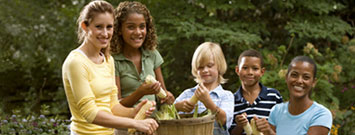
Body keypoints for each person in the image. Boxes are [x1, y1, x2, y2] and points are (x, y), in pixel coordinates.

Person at [62, 1, 158, 134]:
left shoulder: (108, 60)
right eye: (99, 27)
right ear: (85, 26)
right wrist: (135, 123)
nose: (105, 33)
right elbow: (90, 113)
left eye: (109, 27)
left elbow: (113, 106)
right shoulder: (76, 62)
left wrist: (134, 112)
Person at [110, 1, 174, 107]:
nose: (138, 32)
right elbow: (116, 105)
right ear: (119, 30)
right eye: (131, 27)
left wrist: (167, 96)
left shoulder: (152, 54)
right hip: (129, 120)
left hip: (154, 120)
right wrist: (140, 92)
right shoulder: (113, 60)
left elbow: (162, 94)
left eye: (142, 26)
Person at [254, 56, 333, 135]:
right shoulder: (277, 111)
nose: (299, 81)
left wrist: (270, 133)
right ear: (286, 77)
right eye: (294, 75)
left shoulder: (321, 114)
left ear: (313, 82)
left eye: (306, 77)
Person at [174, 42, 234, 135]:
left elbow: (224, 121)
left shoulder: (226, 96)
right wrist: (177, 107)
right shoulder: (187, 94)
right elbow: (167, 117)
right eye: (200, 67)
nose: (205, 70)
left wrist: (208, 102)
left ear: (219, 66)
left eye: (210, 66)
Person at [229, 49, 283, 135]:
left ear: (262, 72)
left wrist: (267, 130)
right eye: (245, 68)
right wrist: (239, 126)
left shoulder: (274, 96)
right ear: (237, 70)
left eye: (255, 68)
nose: (250, 72)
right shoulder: (231, 100)